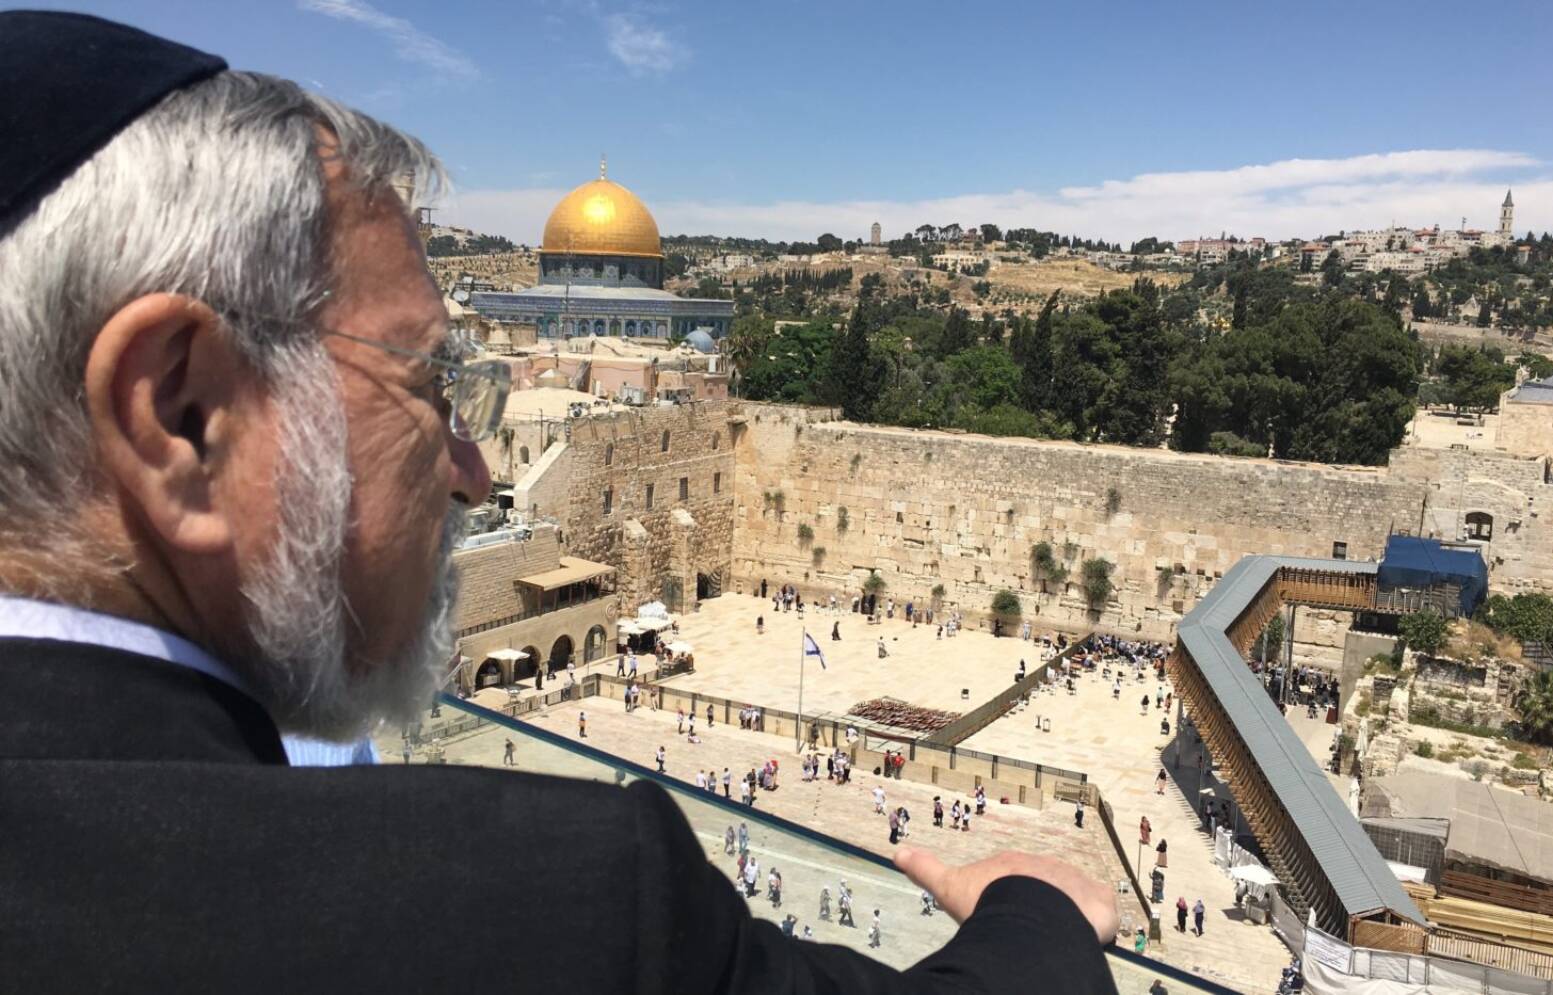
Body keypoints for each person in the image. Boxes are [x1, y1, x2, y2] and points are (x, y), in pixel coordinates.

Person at [0, 14, 1121, 993]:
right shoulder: (529, 904)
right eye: (428, 382)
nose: (474, 470)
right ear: (185, 413)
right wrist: (1042, 913)